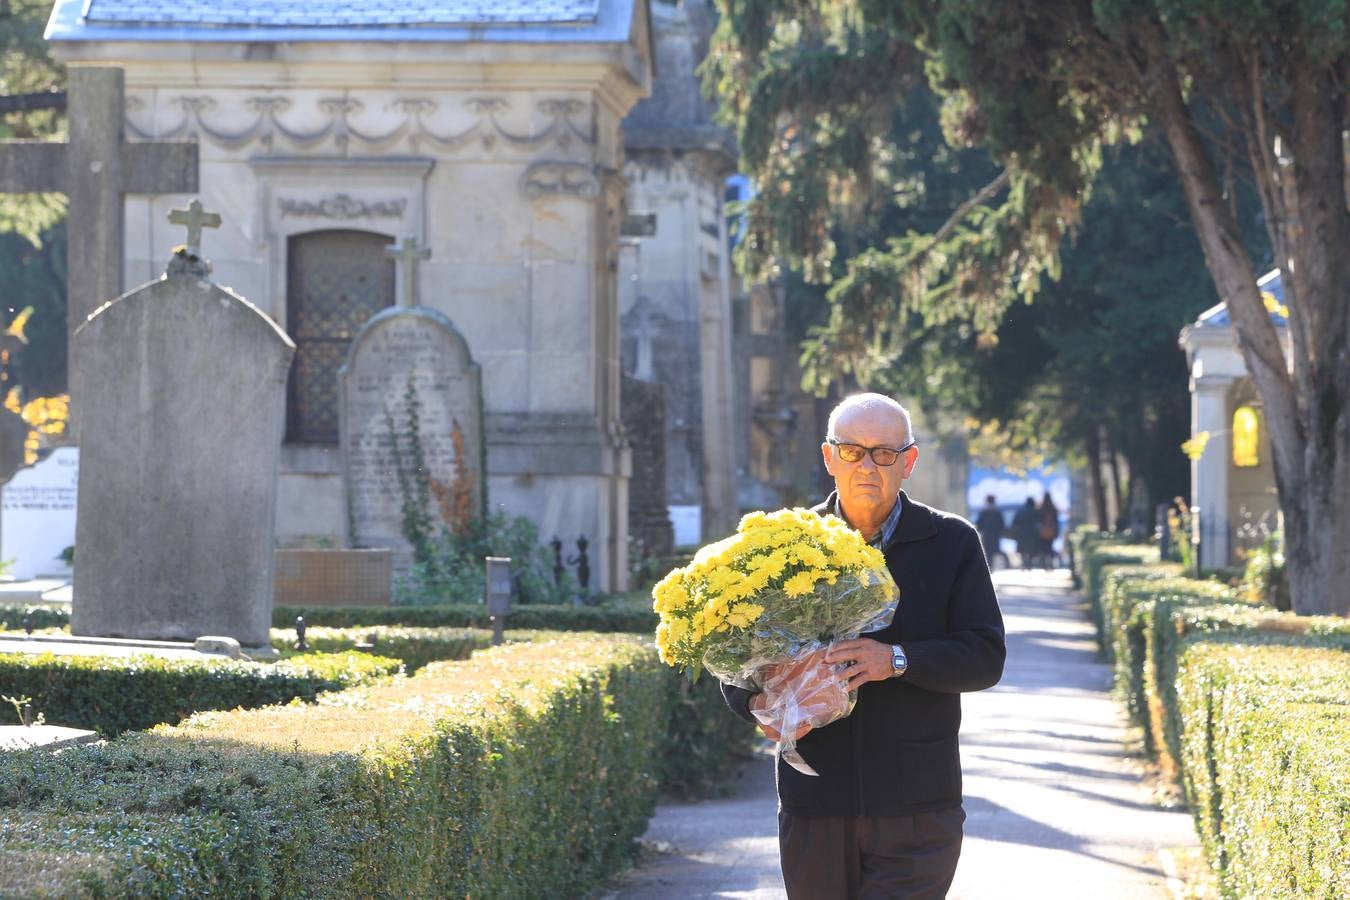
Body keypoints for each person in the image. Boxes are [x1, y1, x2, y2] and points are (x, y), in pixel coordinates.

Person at [721, 393, 1006, 899]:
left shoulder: (953, 542)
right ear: (829, 457)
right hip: (815, 800)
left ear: (909, 461)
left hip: (918, 805)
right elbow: (733, 653)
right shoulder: (782, 547)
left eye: (884, 453)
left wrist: (896, 660)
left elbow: (985, 656)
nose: (867, 465)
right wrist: (754, 705)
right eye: (852, 451)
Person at [974, 494, 1006, 569]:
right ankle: (991, 566)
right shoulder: (997, 512)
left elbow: (979, 524)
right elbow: (1002, 524)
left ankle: (988, 567)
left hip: (986, 535)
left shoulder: (984, 512)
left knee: (988, 552)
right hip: (995, 535)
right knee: (994, 551)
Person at [1011, 497, 1039, 569]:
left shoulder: (1020, 512)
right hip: (1032, 535)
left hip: (1022, 535)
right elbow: (1039, 522)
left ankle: (1024, 564)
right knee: (1031, 551)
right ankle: (1029, 564)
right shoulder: (1035, 512)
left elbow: (1014, 523)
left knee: (1023, 551)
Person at [1036, 491, 1060, 568]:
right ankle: (1050, 562)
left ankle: (1044, 563)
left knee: (1043, 548)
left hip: (1042, 532)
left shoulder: (1040, 509)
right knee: (1049, 548)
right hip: (1051, 532)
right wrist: (1056, 532)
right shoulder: (1053, 509)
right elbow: (1056, 522)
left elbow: (1038, 521)